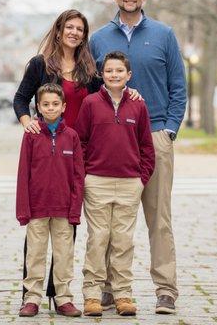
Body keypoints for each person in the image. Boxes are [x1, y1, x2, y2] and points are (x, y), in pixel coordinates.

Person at [13, 8, 141, 301]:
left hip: (78, 151)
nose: (74, 32)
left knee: (66, 221)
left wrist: (130, 92)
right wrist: (28, 123)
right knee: (38, 220)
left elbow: (108, 92)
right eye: (69, 27)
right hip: (46, 148)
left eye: (79, 29)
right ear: (58, 31)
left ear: (84, 36)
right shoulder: (40, 65)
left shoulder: (89, 69)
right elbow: (21, 98)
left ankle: (58, 291)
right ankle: (29, 292)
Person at [89, 0, 187, 314]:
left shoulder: (164, 34)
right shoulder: (99, 39)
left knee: (159, 217)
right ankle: (107, 289)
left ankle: (166, 290)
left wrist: (170, 129)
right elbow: (91, 90)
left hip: (156, 133)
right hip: (112, 141)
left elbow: (178, 85)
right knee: (110, 218)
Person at [75, 51, 155, 317]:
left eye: (119, 71)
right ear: (102, 74)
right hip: (97, 181)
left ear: (128, 75)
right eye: (109, 71)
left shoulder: (138, 105)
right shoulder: (91, 103)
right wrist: (86, 175)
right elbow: (81, 142)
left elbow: (146, 146)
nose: (114, 75)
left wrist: (141, 179)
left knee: (123, 240)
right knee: (98, 238)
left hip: (130, 183)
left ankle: (123, 294)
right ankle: (92, 295)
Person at [16, 83, 84, 318]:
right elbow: (23, 174)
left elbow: (78, 176)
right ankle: (31, 298)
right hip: (37, 208)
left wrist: (75, 210)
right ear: (38, 107)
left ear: (64, 107)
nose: (51, 108)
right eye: (46, 104)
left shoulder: (72, 137)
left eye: (56, 104)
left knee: (64, 254)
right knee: (34, 254)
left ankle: (63, 298)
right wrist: (23, 210)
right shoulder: (32, 136)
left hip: (64, 209)